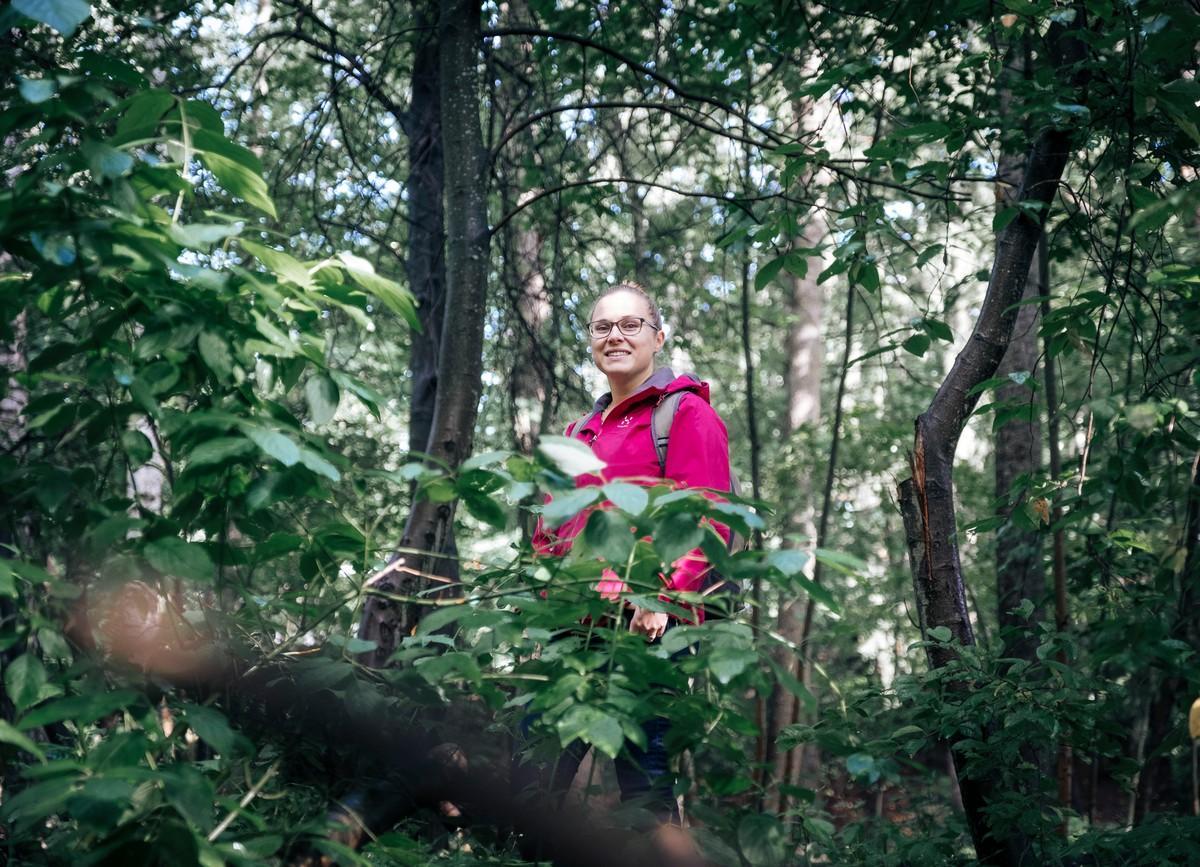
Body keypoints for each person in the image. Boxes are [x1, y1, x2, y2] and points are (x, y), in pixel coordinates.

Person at [514, 280, 732, 823]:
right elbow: (549, 532)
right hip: (573, 630)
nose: (616, 336)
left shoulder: (685, 413)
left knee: (645, 786)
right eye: (603, 327)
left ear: (658, 337)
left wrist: (662, 595)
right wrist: (548, 613)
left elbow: (705, 517)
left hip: (646, 630)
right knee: (530, 773)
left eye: (630, 324)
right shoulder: (578, 432)